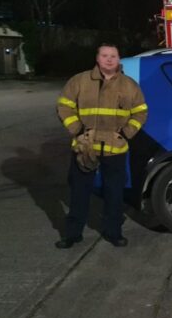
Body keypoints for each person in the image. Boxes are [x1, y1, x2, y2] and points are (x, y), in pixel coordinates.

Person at [55, 43, 148, 248]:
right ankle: (72, 234)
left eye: (113, 56)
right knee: (79, 192)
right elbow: (64, 106)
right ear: (97, 59)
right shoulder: (79, 81)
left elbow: (141, 111)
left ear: (119, 59)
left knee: (114, 193)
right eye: (104, 55)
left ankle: (113, 232)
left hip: (115, 148)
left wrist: (125, 133)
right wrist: (78, 131)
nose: (109, 59)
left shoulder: (129, 85)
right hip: (84, 146)